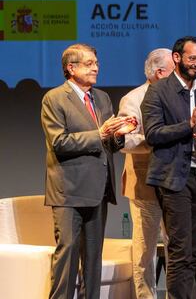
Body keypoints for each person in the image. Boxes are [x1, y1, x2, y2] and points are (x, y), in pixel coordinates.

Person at [41, 43, 136, 299]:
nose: (96, 68)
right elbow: (59, 142)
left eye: (96, 62)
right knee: (68, 255)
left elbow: (109, 144)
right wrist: (100, 133)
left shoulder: (102, 98)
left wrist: (119, 136)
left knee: (93, 260)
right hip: (69, 191)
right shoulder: (55, 98)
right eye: (89, 63)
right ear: (71, 68)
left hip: (98, 189)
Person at [141, 36, 196, 299]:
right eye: (192, 58)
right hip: (174, 178)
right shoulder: (158, 91)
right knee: (179, 250)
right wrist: (188, 125)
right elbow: (153, 134)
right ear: (177, 58)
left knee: (193, 251)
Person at [118, 48, 174, 298]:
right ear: (160, 72)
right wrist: (156, 140)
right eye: (175, 69)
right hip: (145, 186)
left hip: (175, 183)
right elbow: (124, 142)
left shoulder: (178, 96)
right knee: (145, 251)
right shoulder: (133, 99)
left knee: (178, 246)